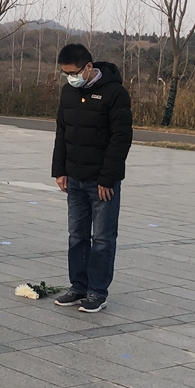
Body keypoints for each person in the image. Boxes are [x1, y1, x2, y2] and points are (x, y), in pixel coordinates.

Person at [52, 43, 132, 313]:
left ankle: (97, 291)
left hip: (101, 182)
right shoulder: (68, 92)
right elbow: (62, 132)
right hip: (74, 178)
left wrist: (107, 178)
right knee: (76, 235)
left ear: (88, 67)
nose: (70, 78)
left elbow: (121, 139)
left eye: (73, 73)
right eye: (65, 74)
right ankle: (78, 286)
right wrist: (59, 170)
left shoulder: (115, 93)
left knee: (102, 238)